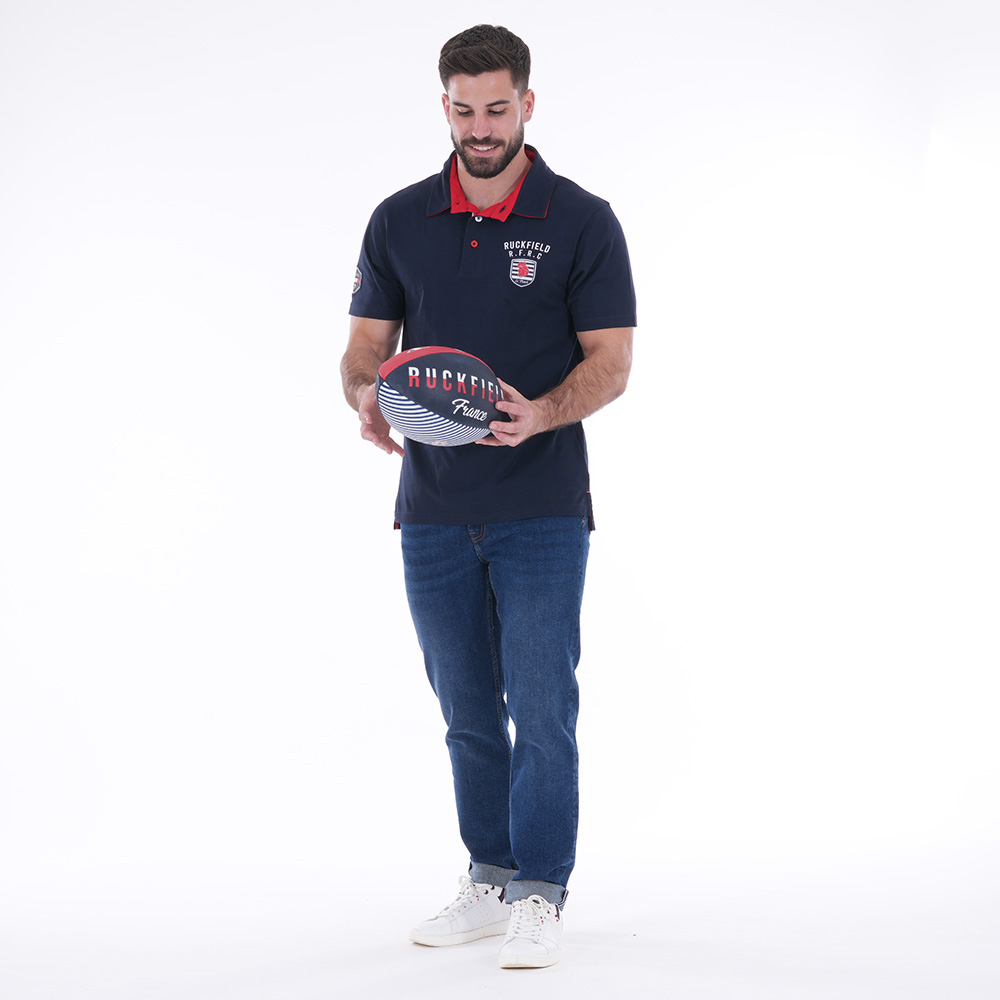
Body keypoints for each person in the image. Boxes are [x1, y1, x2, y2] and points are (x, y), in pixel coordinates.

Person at [341, 24, 636, 969]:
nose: (480, 128)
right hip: (431, 510)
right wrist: (368, 397)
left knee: (541, 707)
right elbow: (363, 349)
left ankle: (541, 892)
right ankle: (491, 874)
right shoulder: (398, 219)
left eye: (497, 109)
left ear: (528, 104)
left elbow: (613, 362)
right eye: (464, 110)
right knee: (467, 710)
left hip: (542, 508)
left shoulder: (581, 220)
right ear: (445, 107)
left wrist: (541, 412)